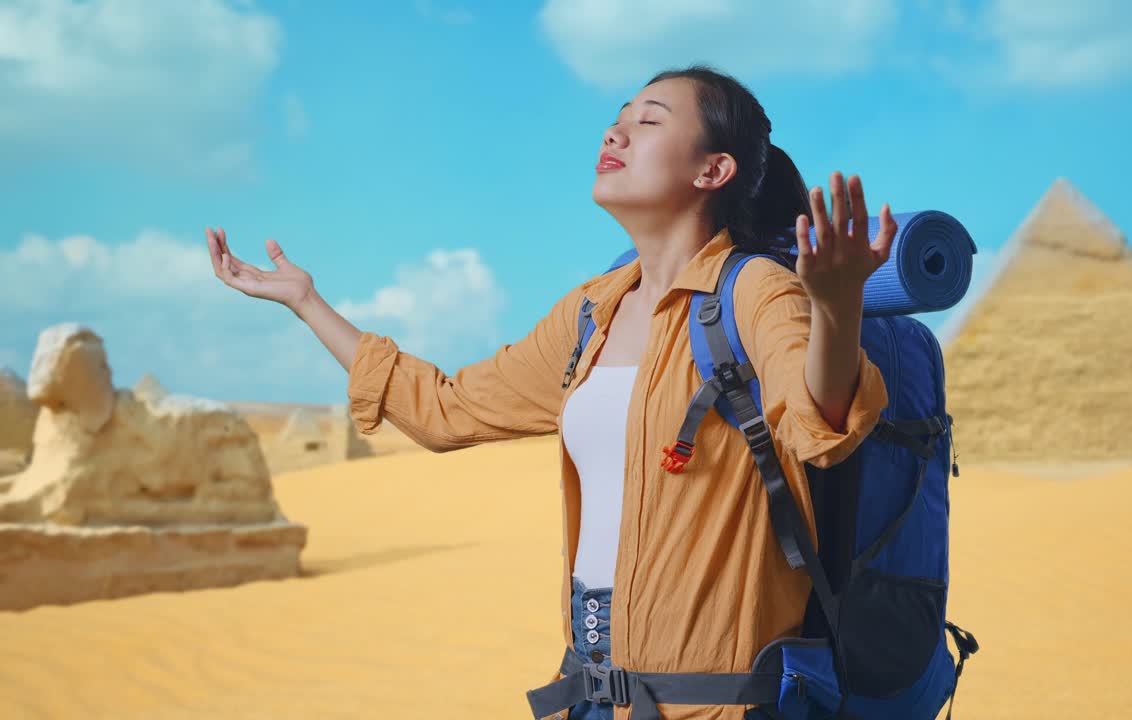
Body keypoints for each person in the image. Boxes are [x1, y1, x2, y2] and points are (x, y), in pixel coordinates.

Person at [206, 64, 894, 720]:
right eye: (616, 119)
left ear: (712, 170)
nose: (613, 133)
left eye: (648, 122)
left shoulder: (754, 291)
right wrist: (308, 303)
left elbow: (819, 426)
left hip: (715, 701)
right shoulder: (591, 313)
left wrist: (835, 309)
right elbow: (446, 409)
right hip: (590, 691)